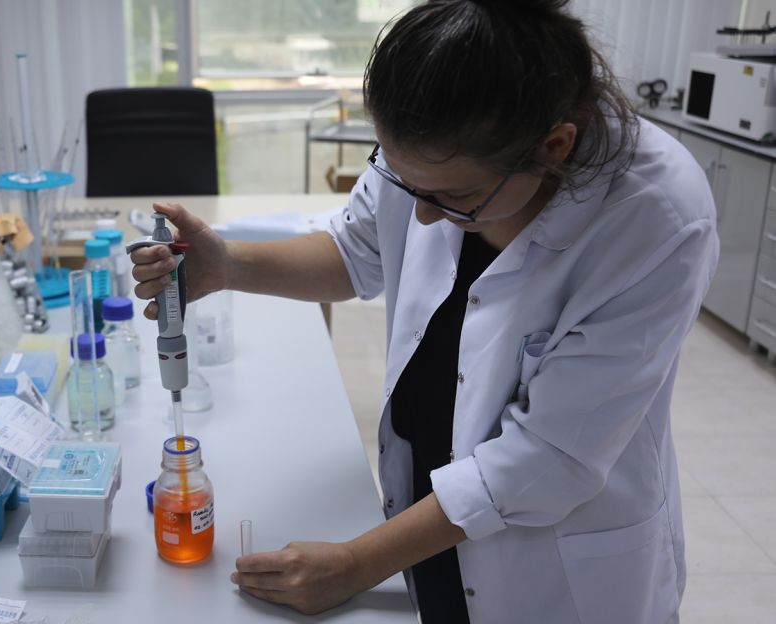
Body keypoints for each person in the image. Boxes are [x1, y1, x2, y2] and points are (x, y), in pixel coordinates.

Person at [130, 1, 717, 621]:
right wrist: (229, 265)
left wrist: (357, 562)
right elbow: (358, 248)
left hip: (553, 567)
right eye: (407, 186)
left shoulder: (656, 216)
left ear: (554, 146)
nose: (425, 218)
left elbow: (547, 458)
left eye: (452, 197)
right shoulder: (433, 138)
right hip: (431, 508)